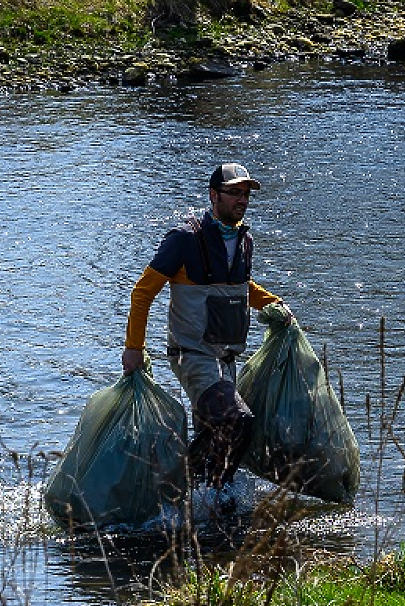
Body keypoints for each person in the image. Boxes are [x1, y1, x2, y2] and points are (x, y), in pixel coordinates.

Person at [122, 163, 292, 491]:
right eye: (233, 193)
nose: (241, 200)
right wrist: (134, 347)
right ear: (213, 195)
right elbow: (143, 292)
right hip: (193, 357)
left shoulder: (245, 240)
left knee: (214, 433)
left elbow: (242, 287)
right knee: (237, 419)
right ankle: (195, 492)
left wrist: (273, 303)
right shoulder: (183, 240)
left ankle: (195, 504)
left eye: (245, 195)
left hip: (226, 360)